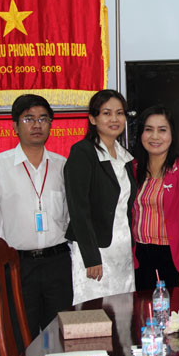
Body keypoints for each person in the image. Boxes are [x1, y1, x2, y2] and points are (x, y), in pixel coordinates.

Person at [0, 94, 72, 338]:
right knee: (20, 335)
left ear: (50, 125)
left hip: (58, 263)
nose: (37, 125)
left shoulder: (63, 166)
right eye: (28, 119)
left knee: (61, 334)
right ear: (15, 126)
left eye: (43, 119)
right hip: (16, 265)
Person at [64, 89, 137, 305]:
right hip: (96, 252)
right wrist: (91, 256)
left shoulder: (124, 156)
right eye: (107, 113)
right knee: (94, 312)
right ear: (92, 119)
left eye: (119, 113)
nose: (114, 119)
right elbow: (78, 208)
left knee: (124, 311)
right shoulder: (83, 152)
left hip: (122, 250)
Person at [132, 106, 179, 290]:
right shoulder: (133, 168)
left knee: (172, 308)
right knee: (143, 307)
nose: (155, 136)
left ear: (172, 135)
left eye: (162, 130)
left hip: (172, 257)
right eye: (148, 129)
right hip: (139, 257)